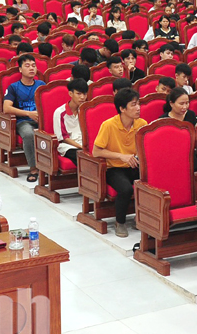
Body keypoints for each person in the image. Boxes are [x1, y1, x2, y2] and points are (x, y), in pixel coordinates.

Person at [91, 89, 148, 237]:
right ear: (122, 109)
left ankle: (144, 218)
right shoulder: (108, 125)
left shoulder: (142, 124)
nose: (138, 108)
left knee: (152, 183)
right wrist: (121, 156)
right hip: (114, 168)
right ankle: (120, 222)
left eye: (139, 104)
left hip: (134, 165)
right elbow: (96, 152)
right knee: (126, 189)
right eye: (133, 105)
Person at [2, 55, 45, 182]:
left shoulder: (41, 84)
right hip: (23, 121)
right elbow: (7, 108)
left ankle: (50, 166)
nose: (31, 68)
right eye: (27, 66)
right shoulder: (13, 87)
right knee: (28, 134)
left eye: (33, 65)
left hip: (41, 120)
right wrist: (28, 113)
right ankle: (33, 168)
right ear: (20, 69)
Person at [52, 78, 88, 165]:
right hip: (68, 146)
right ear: (70, 94)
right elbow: (63, 138)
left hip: (84, 143)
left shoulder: (87, 110)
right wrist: (82, 147)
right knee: (85, 158)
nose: (82, 97)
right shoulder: (59, 112)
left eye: (84, 94)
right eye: (78, 94)